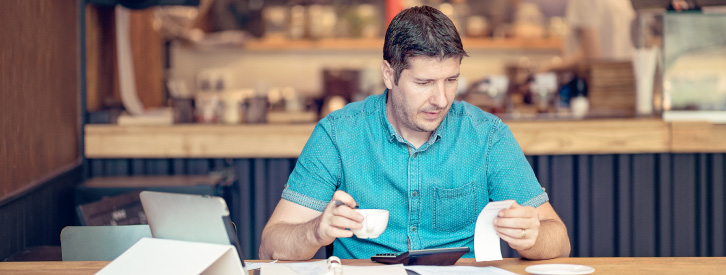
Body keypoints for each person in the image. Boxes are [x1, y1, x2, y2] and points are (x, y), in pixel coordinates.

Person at [259, 5, 571, 261]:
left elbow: (559, 239)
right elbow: (271, 245)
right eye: (424, 83)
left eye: (451, 80)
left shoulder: (486, 135)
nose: (441, 99)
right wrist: (316, 231)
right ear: (389, 74)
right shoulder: (339, 134)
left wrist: (533, 238)